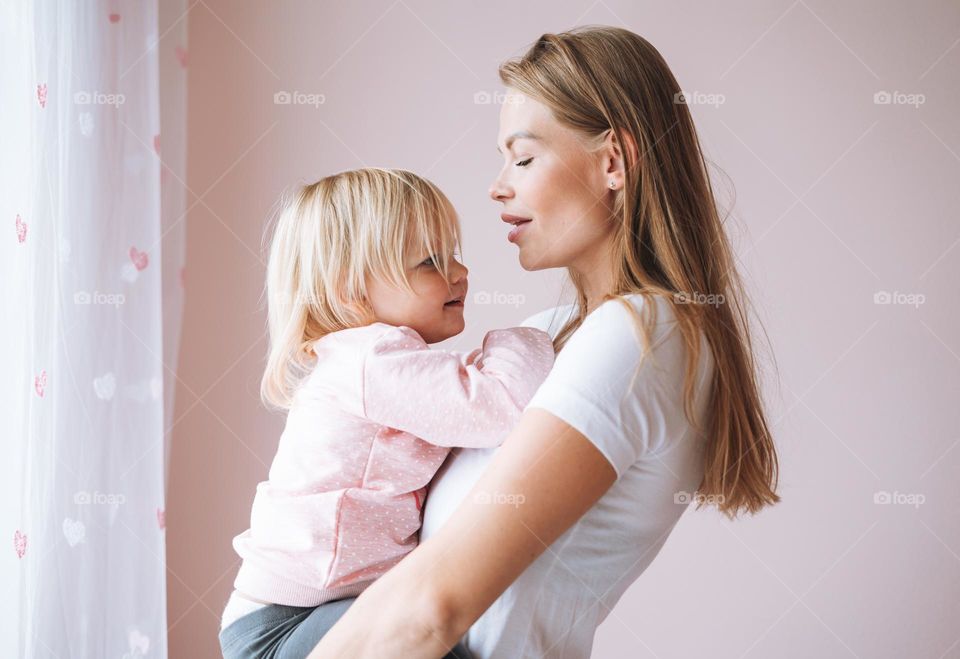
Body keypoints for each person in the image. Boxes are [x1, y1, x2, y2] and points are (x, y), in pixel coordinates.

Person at [308, 27, 780, 659]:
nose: (498, 187)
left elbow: (433, 608)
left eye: (523, 158)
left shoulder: (639, 336)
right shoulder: (550, 330)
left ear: (613, 162)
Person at [218, 167, 555, 658]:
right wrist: (526, 336)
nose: (459, 272)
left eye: (453, 254)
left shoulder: (377, 363)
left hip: (304, 613)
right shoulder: (371, 358)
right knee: (432, 639)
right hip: (281, 629)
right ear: (348, 292)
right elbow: (499, 407)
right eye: (430, 261)